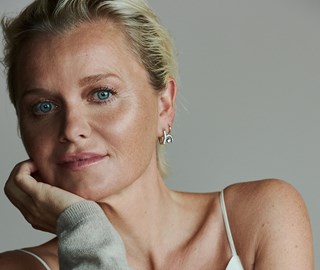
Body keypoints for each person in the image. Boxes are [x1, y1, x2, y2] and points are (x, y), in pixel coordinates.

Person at [0, 0, 314, 269]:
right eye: (43, 106)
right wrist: (85, 229)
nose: (71, 129)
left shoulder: (260, 217)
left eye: (102, 94)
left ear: (164, 106)